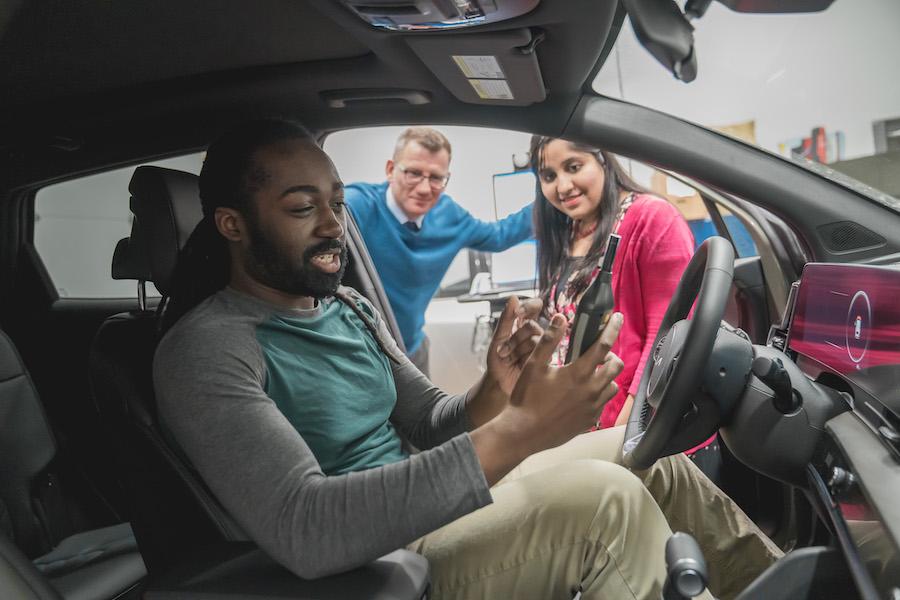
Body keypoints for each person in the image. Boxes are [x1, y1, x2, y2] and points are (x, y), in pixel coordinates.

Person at [155, 119, 781, 600]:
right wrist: (521, 429)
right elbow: (307, 527)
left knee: (647, 456)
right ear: (232, 226)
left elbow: (432, 422)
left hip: (429, 502)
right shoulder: (207, 350)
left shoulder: (345, 305)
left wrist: (495, 387)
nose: (332, 226)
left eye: (336, 203)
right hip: (382, 555)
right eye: (301, 208)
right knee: (607, 502)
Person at [530, 136, 720, 476]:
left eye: (573, 167)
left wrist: (628, 431)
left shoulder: (651, 217)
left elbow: (668, 336)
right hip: (590, 428)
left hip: (645, 436)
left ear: (603, 158)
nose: (563, 185)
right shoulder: (570, 231)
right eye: (548, 175)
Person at [345, 127, 533, 376]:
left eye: (436, 178)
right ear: (391, 170)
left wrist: (552, 198)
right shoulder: (354, 207)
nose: (424, 188)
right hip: (357, 355)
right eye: (413, 173)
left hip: (411, 351)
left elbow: (499, 236)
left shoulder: (448, 215)